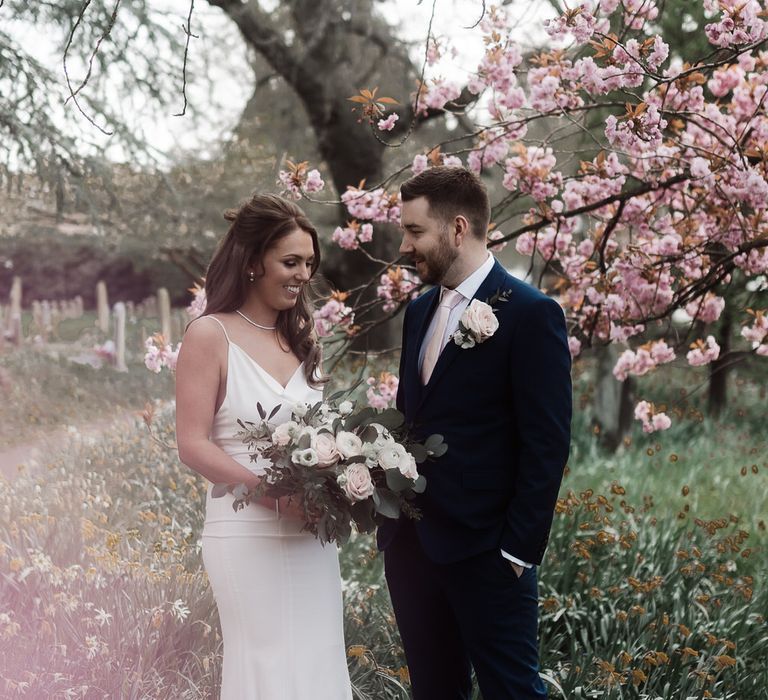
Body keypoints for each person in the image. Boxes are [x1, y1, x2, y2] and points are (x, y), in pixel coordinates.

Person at [378, 167, 572, 699]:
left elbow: (547, 443)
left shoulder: (532, 315)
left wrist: (516, 552)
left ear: (457, 229)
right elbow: (411, 419)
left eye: (415, 232)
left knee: (511, 691)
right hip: (413, 547)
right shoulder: (418, 312)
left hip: (488, 554)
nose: (403, 246)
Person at [175, 193, 352, 700]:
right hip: (245, 532)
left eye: (309, 265)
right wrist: (272, 493)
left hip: (311, 538)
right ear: (253, 262)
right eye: (290, 262)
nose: (302, 275)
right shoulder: (210, 335)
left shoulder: (301, 340)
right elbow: (192, 444)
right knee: (266, 670)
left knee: (319, 666)